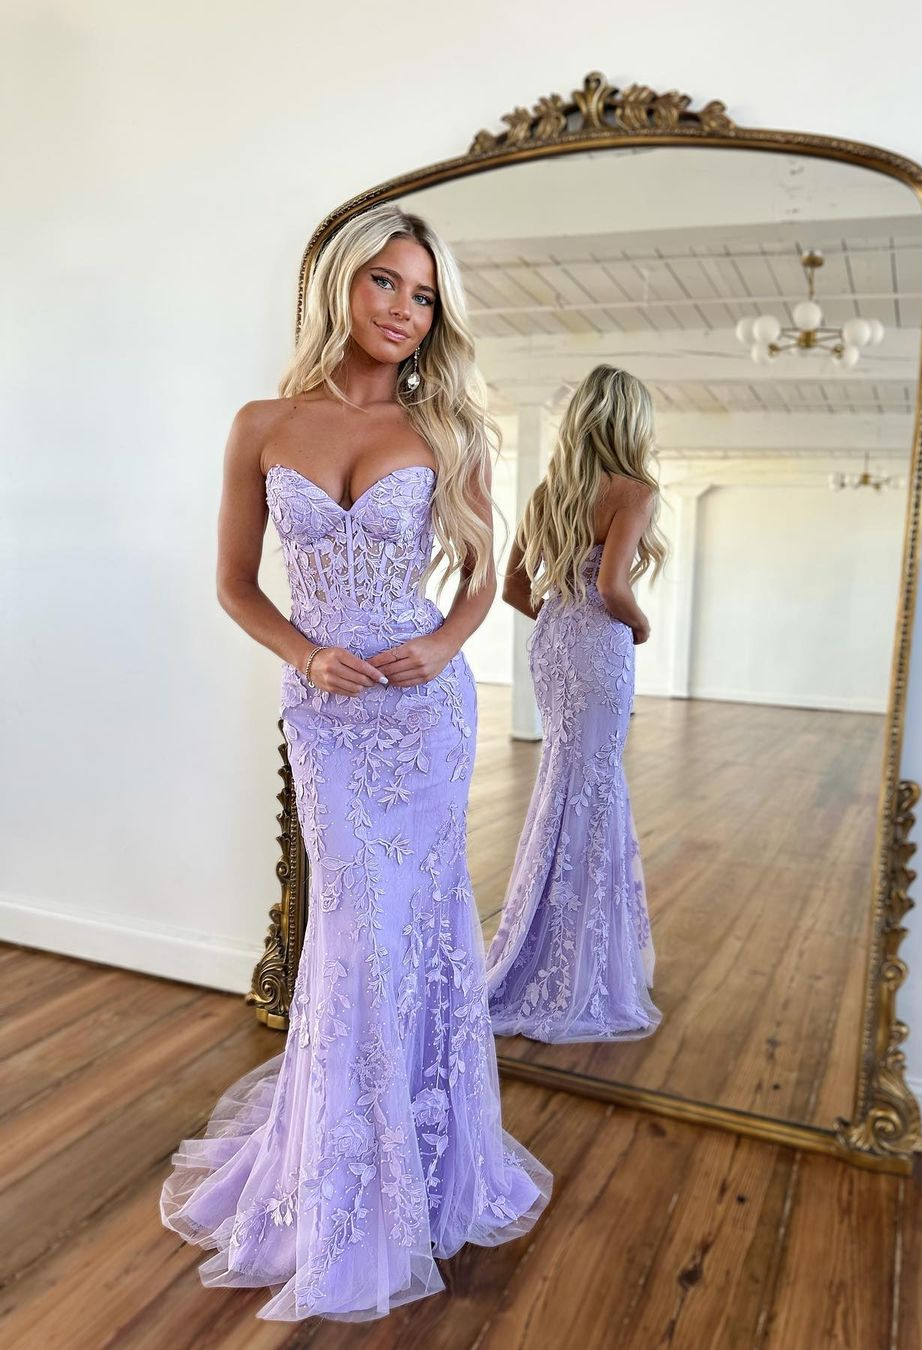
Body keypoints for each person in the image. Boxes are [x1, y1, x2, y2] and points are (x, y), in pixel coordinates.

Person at [159, 202, 551, 1323]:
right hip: (327, 716)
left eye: (423, 296)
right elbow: (235, 583)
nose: (403, 310)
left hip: (422, 714)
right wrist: (304, 653)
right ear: (341, 283)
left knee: (414, 926)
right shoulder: (261, 425)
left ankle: (421, 1159)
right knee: (353, 931)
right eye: (385, 281)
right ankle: (339, 1177)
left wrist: (442, 645)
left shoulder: (448, 433)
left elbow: (480, 580)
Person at [484, 365, 667, 1043]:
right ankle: (582, 962)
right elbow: (615, 587)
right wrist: (639, 627)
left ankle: (542, 945)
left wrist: (559, 621)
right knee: (594, 787)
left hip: (555, 643)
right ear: (631, 422)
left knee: (562, 783)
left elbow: (512, 587)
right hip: (600, 646)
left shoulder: (549, 491)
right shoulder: (635, 491)